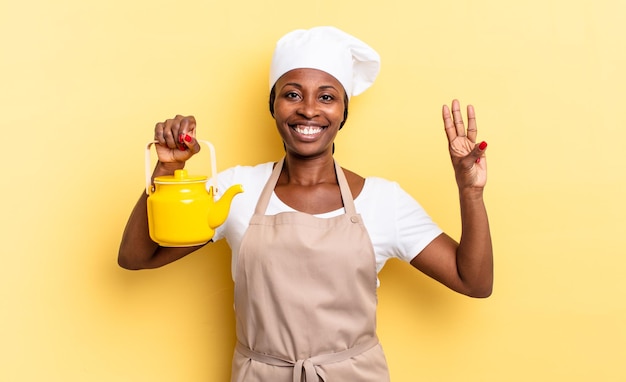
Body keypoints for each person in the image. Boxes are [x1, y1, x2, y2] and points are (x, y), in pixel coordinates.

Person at [118, 26, 493, 382]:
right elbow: (138, 256)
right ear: (274, 105)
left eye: (327, 97)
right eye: (292, 94)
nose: (309, 109)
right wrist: (167, 168)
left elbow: (473, 281)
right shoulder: (237, 190)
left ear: (343, 111)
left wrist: (470, 192)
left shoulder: (383, 201)